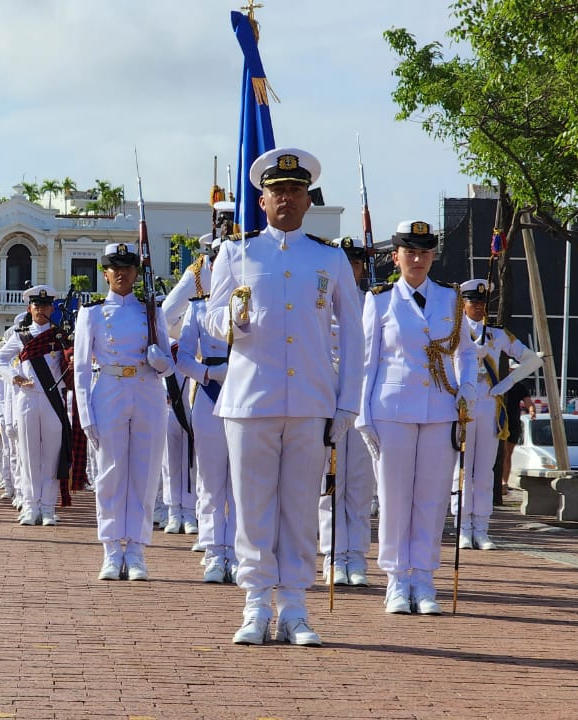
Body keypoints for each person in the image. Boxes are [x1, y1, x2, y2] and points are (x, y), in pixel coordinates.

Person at [204, 148, 362, 646]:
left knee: (298, 509)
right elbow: (210, 320)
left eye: (295, 191)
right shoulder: (237, 252)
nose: (286, 199)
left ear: (307, 198)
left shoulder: (329, 257)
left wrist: (347, 403)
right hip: (250, 400)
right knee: (252, 509)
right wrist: (233, 318)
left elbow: (354, 336)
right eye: (278, 191)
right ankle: (254, 606)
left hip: (311, 401)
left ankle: (294, 607)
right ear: (262, 197)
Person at [358, 220, 478, 616]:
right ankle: (396, 580)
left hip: (440, 410)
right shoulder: (379, 301)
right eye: (410, 252)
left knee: (431, 498)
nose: (418, 259)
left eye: (425, 252)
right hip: (391, 410)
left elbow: (464, 354)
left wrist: (467, 390)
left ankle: (424, 579)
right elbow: (366, 362)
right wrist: (362, 416)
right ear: (396, 257)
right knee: (394, 497)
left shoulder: (451, 299)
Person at [74, 242, 174, 581]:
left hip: (145, 388)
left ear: (135, 272)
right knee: (110, 473)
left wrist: (161, 361)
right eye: (114, 267)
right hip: (110, 389)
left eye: (127, 267)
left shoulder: (151, 310)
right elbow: (82, 370)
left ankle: (137, 550)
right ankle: (111, 548)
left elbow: (167, 363)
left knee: (144, 473)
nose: (121, 273)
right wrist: (86, 415)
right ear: (105, 273)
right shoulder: (91, 313)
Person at [452, 278, 541, 550]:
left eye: (482, 303)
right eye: (473, 303)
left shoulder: (497, 334)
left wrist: (506, 384)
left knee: (485, 470)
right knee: (462, 470)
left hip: (489, 404)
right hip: (461, 405)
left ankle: (482, 528)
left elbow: (532, 359)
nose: (479, 308)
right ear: (463, 305)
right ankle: (463, 528)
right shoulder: (452, 332)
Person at [173, 240, 237, 583]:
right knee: (211, 481)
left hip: (243, 392)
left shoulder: (248, 305)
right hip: (211, 390)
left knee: (241, 483)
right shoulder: (198, 309)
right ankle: (214, 551)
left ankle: (239, 552)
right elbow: (182, 357)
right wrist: (208, 373)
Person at [319, 238, 377, 587]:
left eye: (356, 264)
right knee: (329, 486)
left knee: (359, 485)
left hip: (361, 402)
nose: (351, 270)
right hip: (326, 399)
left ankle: (356, 557)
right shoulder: (319, 301)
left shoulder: (373, 302)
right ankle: (332, 554)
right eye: (346, 263)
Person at [0, 285, 72, 526]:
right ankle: (29, 506)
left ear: (52, 308)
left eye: (45, 306)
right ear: (30, 308)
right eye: (36, 305)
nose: (40, 309)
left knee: (51, 454)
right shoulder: (21, 335)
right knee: (27, 454)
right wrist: (14, 377)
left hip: (52, 398)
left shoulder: (61, 336)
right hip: (27, 396)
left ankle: (47, 507)